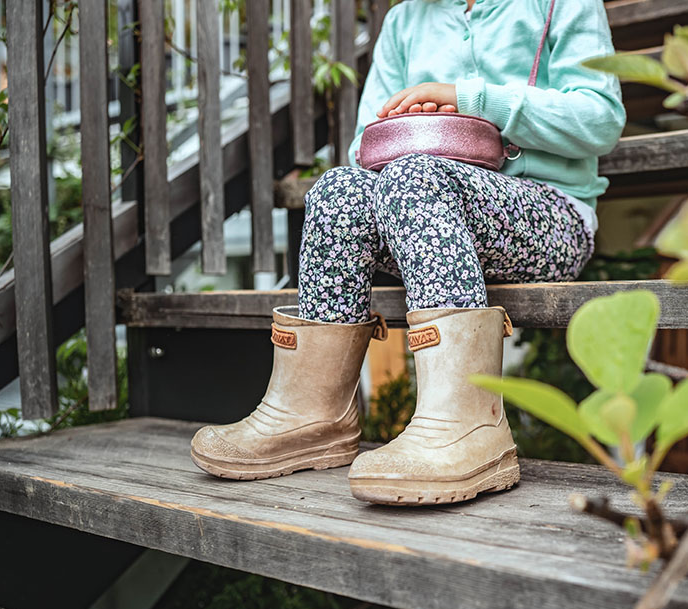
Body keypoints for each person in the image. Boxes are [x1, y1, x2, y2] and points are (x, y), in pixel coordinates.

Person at [190, 0, 626, 505]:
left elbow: (601, 119)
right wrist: (410, 126)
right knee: (336, 189)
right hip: (419, 217)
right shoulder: (404, 20)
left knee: (413, 173)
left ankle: (467, 427)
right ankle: (312, 415)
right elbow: (361, 147)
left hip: (548, 219)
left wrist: (469, 101)